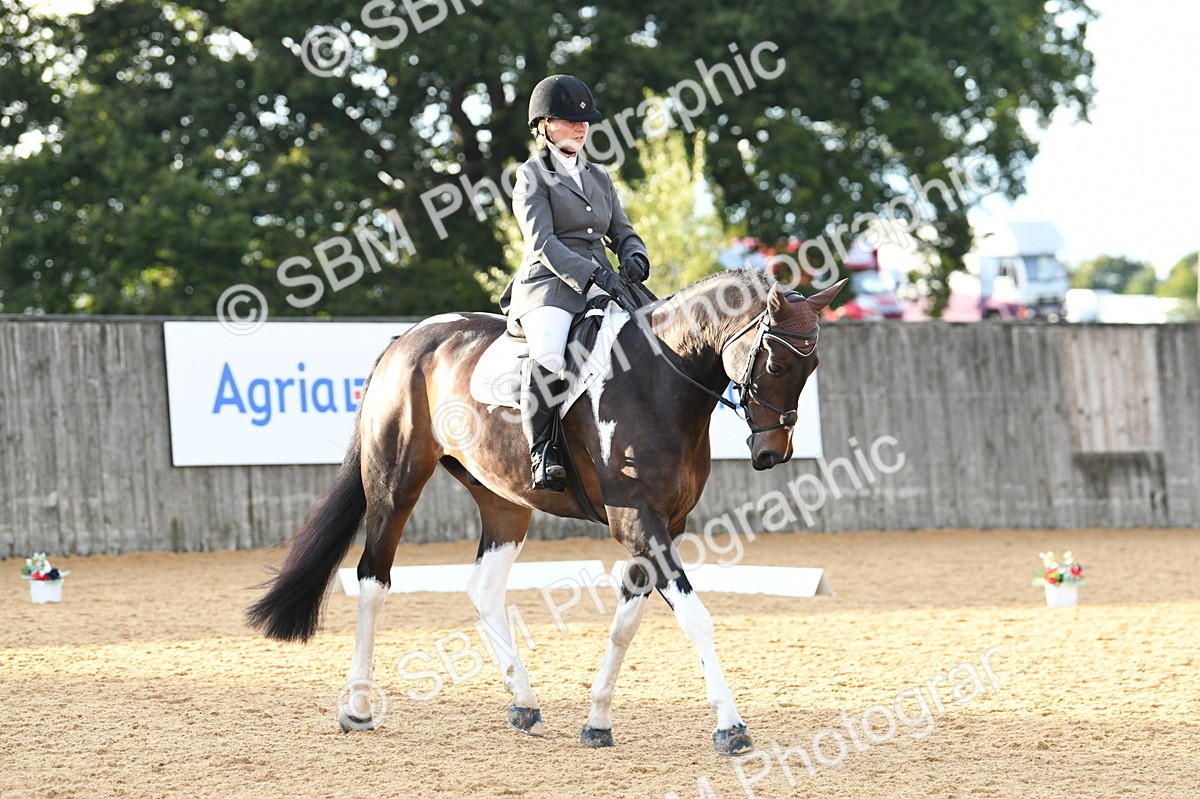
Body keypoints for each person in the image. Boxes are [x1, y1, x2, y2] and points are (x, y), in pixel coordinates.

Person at [499, 74, 651, 492]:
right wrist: (590, 274)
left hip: (605, 282)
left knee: (653, 338)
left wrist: (635, 253)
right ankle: (542, 452)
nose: (581, 127)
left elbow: (621, 229)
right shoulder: (531, 176)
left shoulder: (599, 177)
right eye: (569, 120)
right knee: (549, 355)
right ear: (545, 126)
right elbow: (542, 241)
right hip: (549, 285)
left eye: (585, 121)